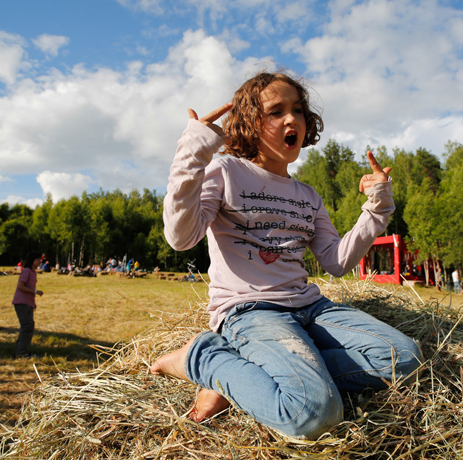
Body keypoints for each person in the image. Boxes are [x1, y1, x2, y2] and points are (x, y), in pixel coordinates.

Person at [150, 71, 422, 440]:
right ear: (248, 123)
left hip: (311, 309)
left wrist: (375, 211)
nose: (291, 118)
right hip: (252, 311)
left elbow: (336, 262)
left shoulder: (307, 195)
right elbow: (181, 238)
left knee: (406, 359)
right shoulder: (226, 171)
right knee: (313, 414)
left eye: (297, 110)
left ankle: (248, 376)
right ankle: (201, 356)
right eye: (275, 111)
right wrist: (192, 152)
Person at [12, 250, 44, 358]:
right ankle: (21, 353)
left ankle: (21, 351)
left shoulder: (33, 272)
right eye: (38, 259)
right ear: (32, 260)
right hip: (21, 303)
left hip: (27, 303)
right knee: (27, 327)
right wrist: (35, 292)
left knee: (28, 327)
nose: (40, 261)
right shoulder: (26, 271)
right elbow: (20, 286)